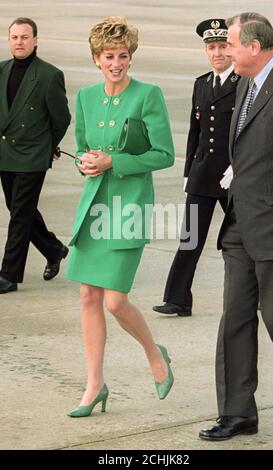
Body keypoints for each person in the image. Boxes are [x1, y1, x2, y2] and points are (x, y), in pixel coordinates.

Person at [66, 16, 175, 417]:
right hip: (93, 203)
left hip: (129, 206)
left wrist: (116, 161)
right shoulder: (87, 97)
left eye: (123, 56)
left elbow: (163, 154)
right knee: (88, 294)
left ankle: (154, 353)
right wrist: (87, 163)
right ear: (96, 59)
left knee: (115, 302)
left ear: (131, 57)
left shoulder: (148, 94)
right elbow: (81, 148)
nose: (117, 63)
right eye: (109, 56)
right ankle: (95, 384)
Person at [199, 12, 273, 441]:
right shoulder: (245, 85)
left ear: (254, 47)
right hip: (239, 223)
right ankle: (237, 412)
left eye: (232, 44)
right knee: (234, 317)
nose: (225, 52)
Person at [153, 19, 240, 317]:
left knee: (247, 238)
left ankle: (260, 295)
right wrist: (189, 170)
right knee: (189, 238)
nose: (218, 53)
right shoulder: (201, 83)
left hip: (234, 176)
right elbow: (195, 130)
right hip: (203, 174)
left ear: (232, 48)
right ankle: (177, 299)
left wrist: (240, 167)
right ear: (205, 51)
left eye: (223, 46)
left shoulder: (245, 83)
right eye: (212, 47)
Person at [0, 17, 71, 294]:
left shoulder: (48, 75)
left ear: (36, 40)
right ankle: (54, 250)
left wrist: (47, 146)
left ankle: (9, 275)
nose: (19, 42)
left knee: (19, 215)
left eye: (25, 37)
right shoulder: (2, 70)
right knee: (19, 210)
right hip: (5, 153)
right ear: (9, 40)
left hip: (31, 156)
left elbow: (61, 119)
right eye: (14, 37)